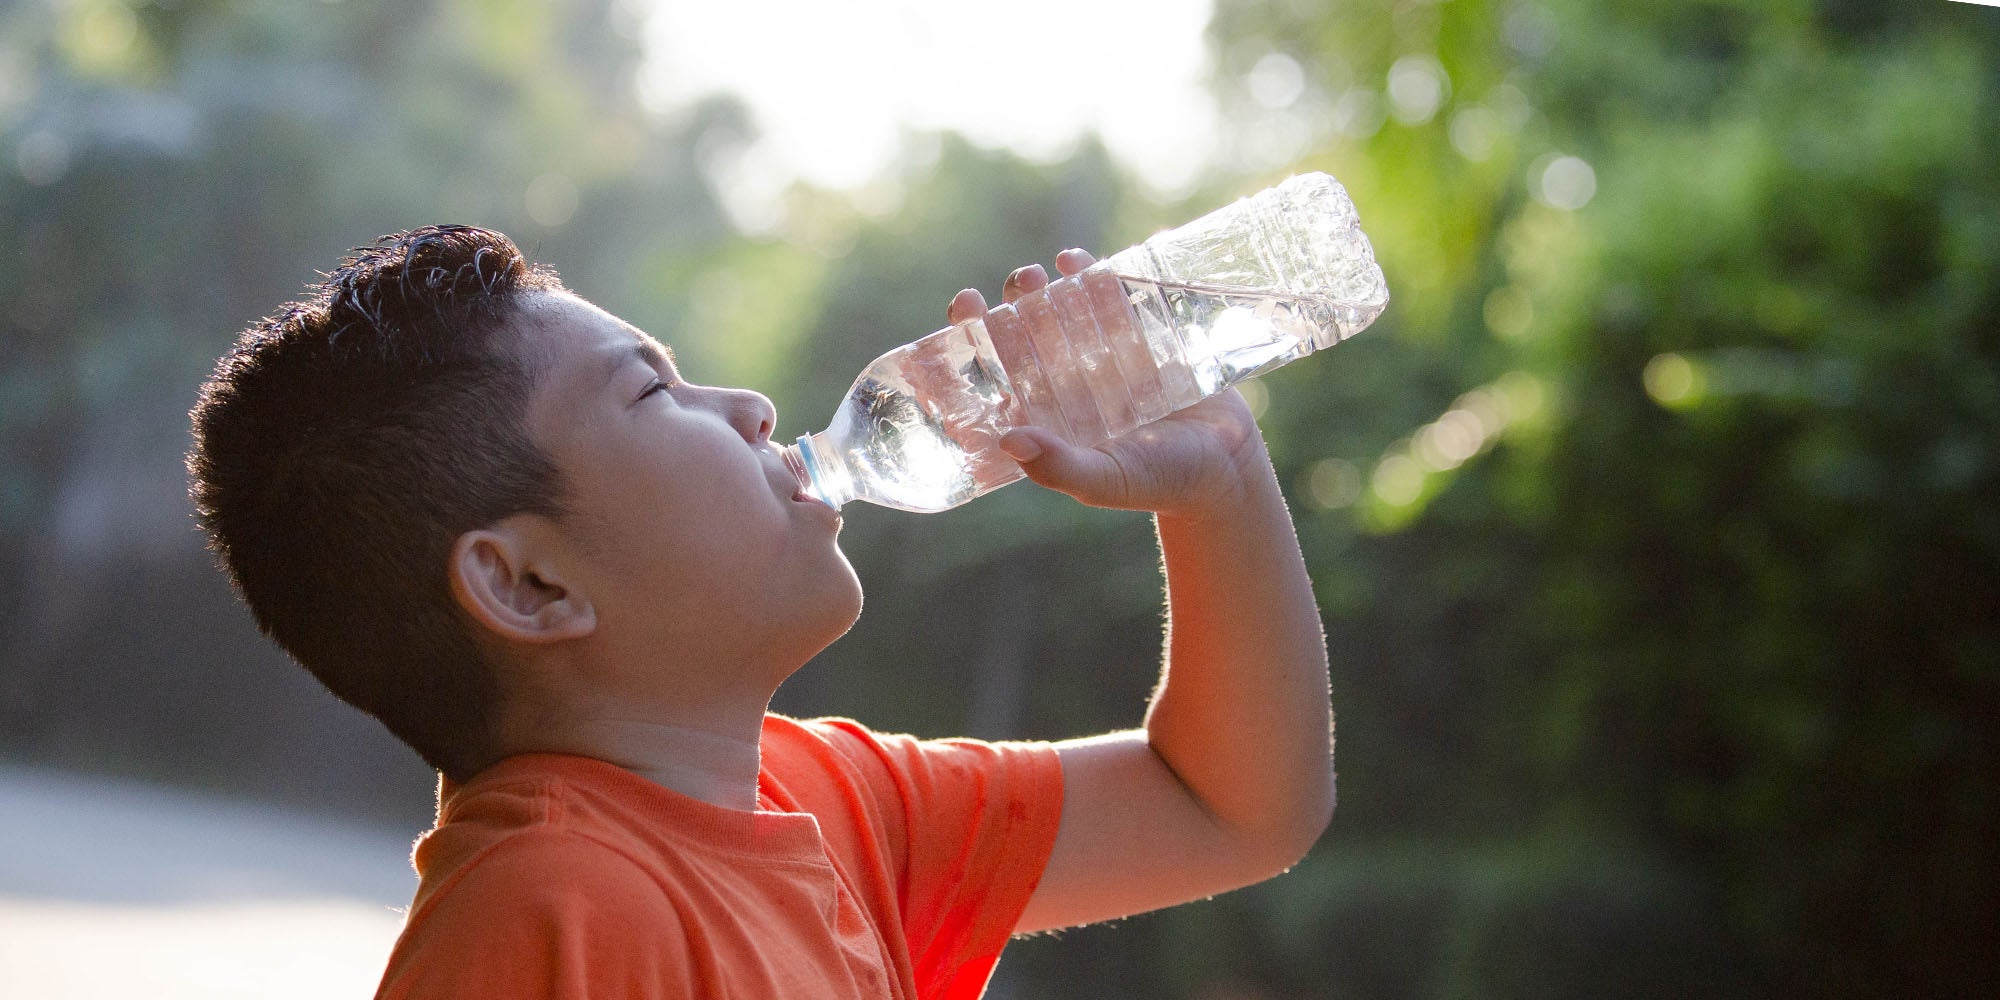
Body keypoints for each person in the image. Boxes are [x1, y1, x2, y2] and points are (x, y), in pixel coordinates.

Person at [187, 225, 1334, 999]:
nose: (748, 406)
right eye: (652, 390)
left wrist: (1220, 475)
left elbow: (1230, 805)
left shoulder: (830, 802)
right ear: (528, 585)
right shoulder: (554, 915)